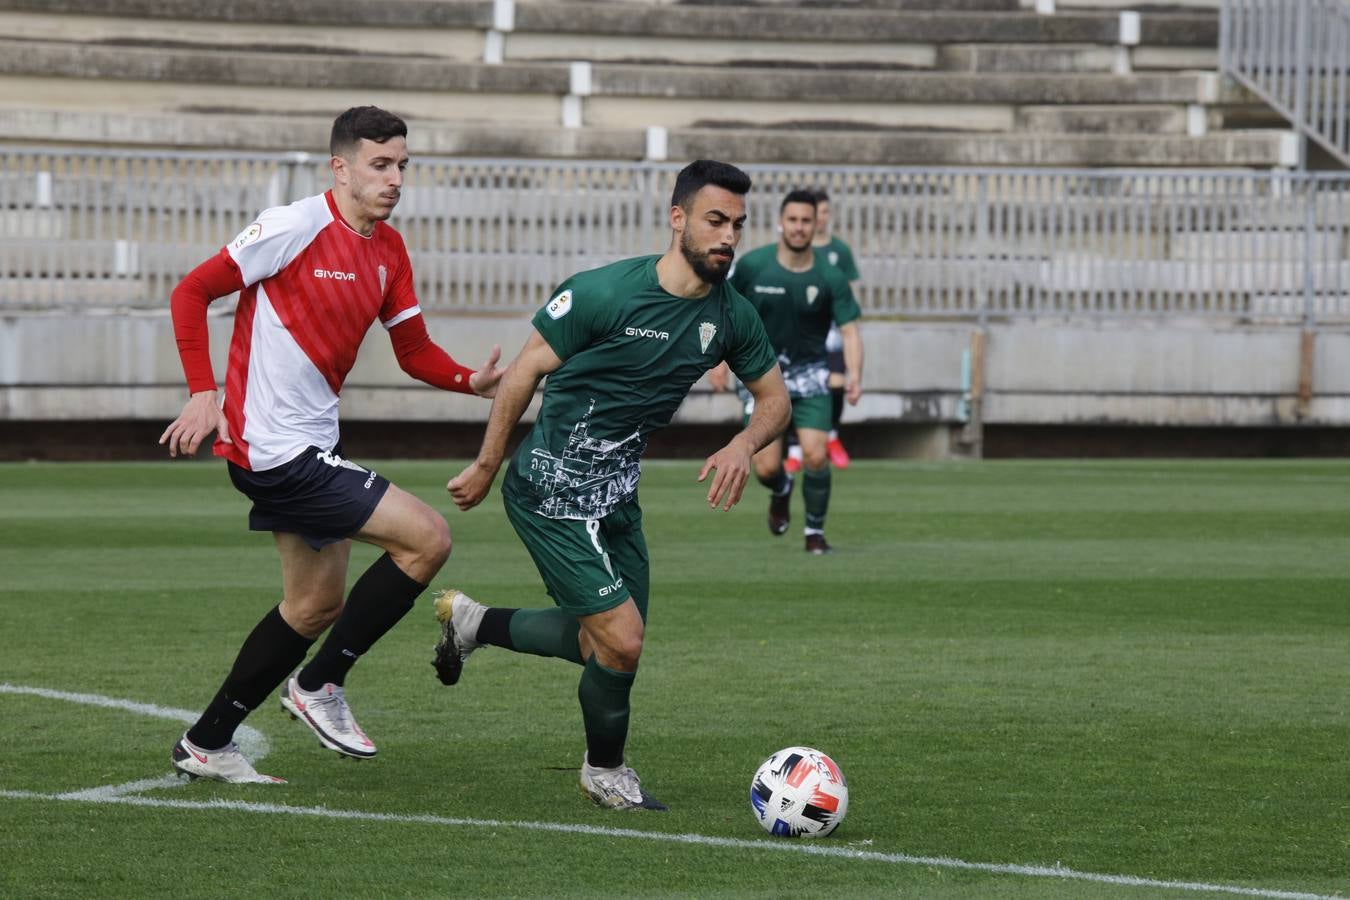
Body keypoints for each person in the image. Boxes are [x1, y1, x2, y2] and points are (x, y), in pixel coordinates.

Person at [159, 106, 503, 784]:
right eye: (381, 164)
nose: (395, 177)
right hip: (276, 451)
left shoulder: (389, 250)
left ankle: (207, 741)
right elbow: (191, 292)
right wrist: (203, 390)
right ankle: (321, 685)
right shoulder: (293, 225)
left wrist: (471, 380)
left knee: (314, 605)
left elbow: (412, 350)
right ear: (340, 168)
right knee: (428, 538)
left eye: (403, 165)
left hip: (309, 446)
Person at [438, 159, 790, 811]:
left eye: (738, 225)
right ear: (677, 218)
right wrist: (489, 463)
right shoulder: (604, 293)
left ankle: (473, 623)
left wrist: (744, 443)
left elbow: (775, 400)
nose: (728, 237)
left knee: (602, 647)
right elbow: (523, 372)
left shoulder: (731, 315)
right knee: (621, 638)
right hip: (551, 490)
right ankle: (605, 772)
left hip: (617, 494)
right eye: (716, 221)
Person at [714, 189, 863, 555]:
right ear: (781, 223)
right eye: (793, 220)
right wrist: (717, 360)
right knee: (765, 468)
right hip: (761, 374)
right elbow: (722, 310)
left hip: (811, 375)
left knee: (815, 455)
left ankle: (815, 532)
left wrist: (855, 373)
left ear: (816, 225)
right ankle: (781, 488)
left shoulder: (830, 275)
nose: (799, 228)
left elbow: (850, 330)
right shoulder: (753, 266)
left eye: (806, 221)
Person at [783, 186, 862, 474]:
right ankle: (794, 447)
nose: (823, 218)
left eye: (827, 212)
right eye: (820, 213)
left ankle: (831, 436)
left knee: (836, 382)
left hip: (830, 327)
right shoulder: (796, 249)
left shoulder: (839, 250)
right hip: (800, 331)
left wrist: (846, 320)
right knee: (794, 386)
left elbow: (848, 291)